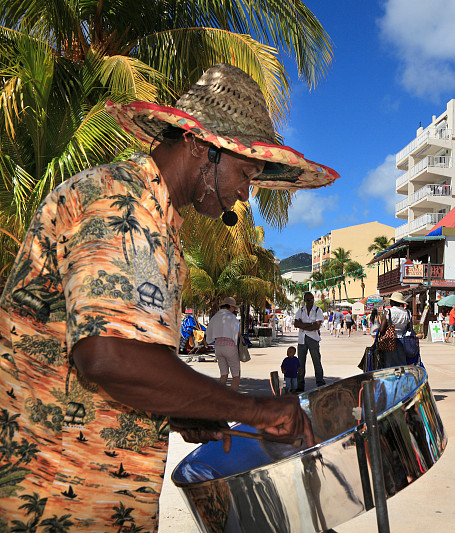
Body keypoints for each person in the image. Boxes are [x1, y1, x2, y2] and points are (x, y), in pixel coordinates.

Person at [0, 64, 327, 528]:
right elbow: (108, 356)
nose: (244, 193)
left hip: (100, 496)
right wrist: (253, 409)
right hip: (51, 497)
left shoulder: (158, 221)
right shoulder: (119, 202)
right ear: (198, 145)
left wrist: (180, 409)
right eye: (244, 173)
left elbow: (107, 366)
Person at [206, 296, 243, 391]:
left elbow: (209, 333)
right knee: (236, 375)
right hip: (230, 347)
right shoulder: (232, 317)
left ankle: (219, 396)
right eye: (234, 307)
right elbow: (237, 333)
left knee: (223, 374)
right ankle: (233, 397)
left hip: (218, 347)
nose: (234, 309)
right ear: (230, 306)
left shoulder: (215, 317)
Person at [294, 291, 325, 392]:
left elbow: (317, 326)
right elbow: (296, 324)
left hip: (313, 339)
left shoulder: (318, 310)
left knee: (316, 361)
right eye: (308, 299)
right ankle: (300, 384)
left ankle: (320, 382)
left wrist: (303, 325)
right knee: (300, 363)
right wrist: (310, 325)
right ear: (305, 300)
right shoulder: (300, 311)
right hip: (302, 339)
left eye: (311, 299)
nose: (310, 301)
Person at [377, 292, 413, 367]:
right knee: (402, 363)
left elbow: (382, 329)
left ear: (393, 302)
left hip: (390, 340)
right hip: (404, 340)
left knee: (389, 364)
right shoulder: (407, 312)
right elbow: (410, 327)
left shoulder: (388, 312)